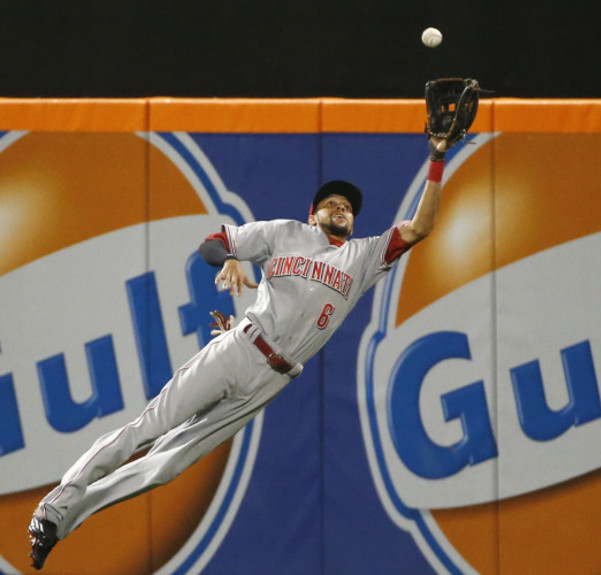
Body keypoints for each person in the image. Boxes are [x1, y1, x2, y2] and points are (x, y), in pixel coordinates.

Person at [27, 133, 450, 570]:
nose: (340, 209)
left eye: (347, 207)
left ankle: (62, 520)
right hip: (238, 348)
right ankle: (55, 505)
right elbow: (212, 244)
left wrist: (437, 157)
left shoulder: (364, 258)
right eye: (331, 203)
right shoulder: (285, 233)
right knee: (147, 428)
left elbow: (420, 227)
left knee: (166, 467)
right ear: (313, 214)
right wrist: (229, 256)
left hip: (271, 380)